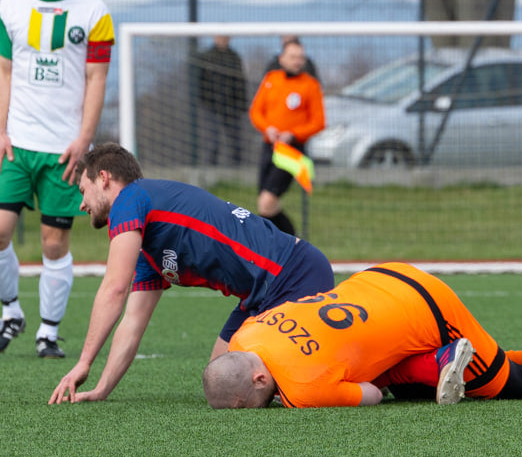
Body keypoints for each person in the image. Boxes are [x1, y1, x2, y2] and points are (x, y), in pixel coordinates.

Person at [48, 142, 333, 404]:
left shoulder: (130, 199)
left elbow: (114, 289)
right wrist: (101, 389)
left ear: (104, 178)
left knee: (268, 386)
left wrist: (83, 362)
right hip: (260, 295)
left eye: (83, 191)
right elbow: (132, 323)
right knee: (220, 382)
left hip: (295, 274)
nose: (81, 204)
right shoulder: (149, 248)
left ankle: (353, 375)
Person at [203, 262, 522, 408]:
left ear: (260, 380)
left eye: (254, 404)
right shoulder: (245, 333)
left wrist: (298, 391)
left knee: (506, 385)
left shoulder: (301, 390)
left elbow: (370, 395)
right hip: (378, 277)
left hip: (429, 308)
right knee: (399, 375)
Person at [0, 0, 115, 359]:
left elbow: (97, 79)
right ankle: (11, 312)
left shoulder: (95, 13)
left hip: (64, 148)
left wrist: (84, 140)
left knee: (54, 244)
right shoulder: (11, 6)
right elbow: (2, 72)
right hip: (16, 144)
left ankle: (48, 333)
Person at [249, 40, 325, 235]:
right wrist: (268, 128)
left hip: (291, 151)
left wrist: (293, 134)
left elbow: (319, 122)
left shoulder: (310, 85)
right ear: (281, 59)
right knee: (265, 205)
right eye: (292, 57)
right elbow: (256, 111)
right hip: (269, 148)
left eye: (301, 57)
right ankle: (283, 249)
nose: (297, 61)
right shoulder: (271, 79)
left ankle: (290, 247)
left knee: (267, 201)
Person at [190, 36, 247, 166]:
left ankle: (236, 171)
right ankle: (211, 171)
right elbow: (200, 81)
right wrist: (204, 100)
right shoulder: (206, 56)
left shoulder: (235, 57)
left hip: (232, 106)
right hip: (211, 105)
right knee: (212, 141)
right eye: (220, 37)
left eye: (225, 37)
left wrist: (241, 104)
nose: (222, 40)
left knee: (235, 141)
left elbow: (240, 82)